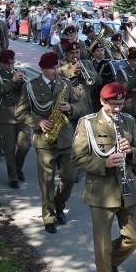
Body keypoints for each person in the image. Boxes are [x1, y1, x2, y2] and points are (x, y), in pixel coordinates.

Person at [71, 82, 136, 272]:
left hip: (127, 188)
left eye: (121, 104)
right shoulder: (88, 123)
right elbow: (77, 159)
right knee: (102, 244)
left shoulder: (128, 121)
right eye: (113, 105)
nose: (117, 109)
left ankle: (107, 264)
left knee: (134, 237)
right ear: (102, 102)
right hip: (101, 191)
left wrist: (131, 151)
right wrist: (104, 162)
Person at [16, 52, 83, 234]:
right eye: (52, 68)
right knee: (46, 181)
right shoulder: (30, 87)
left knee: (70, 176)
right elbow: (20, 112)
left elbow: (78, 106)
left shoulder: (66, 84)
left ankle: (59, 205)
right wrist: (37, 121)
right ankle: (49, 216)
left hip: (65, 138)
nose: (56, 71)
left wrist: (71, 108)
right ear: (42, 69)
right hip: (44, 140)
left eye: (56, 67)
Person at [0, 50, 32, 189]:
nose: (11, 66)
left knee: (26, 145)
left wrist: (22, 83)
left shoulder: (20, 73)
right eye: (8, 64)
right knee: (9, 149)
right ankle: (13, 176)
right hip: (5, 116)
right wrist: (13, 80)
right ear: (1, 63)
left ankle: (18, 168)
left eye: (12, 62)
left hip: (21, 115)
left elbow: (28, 90)